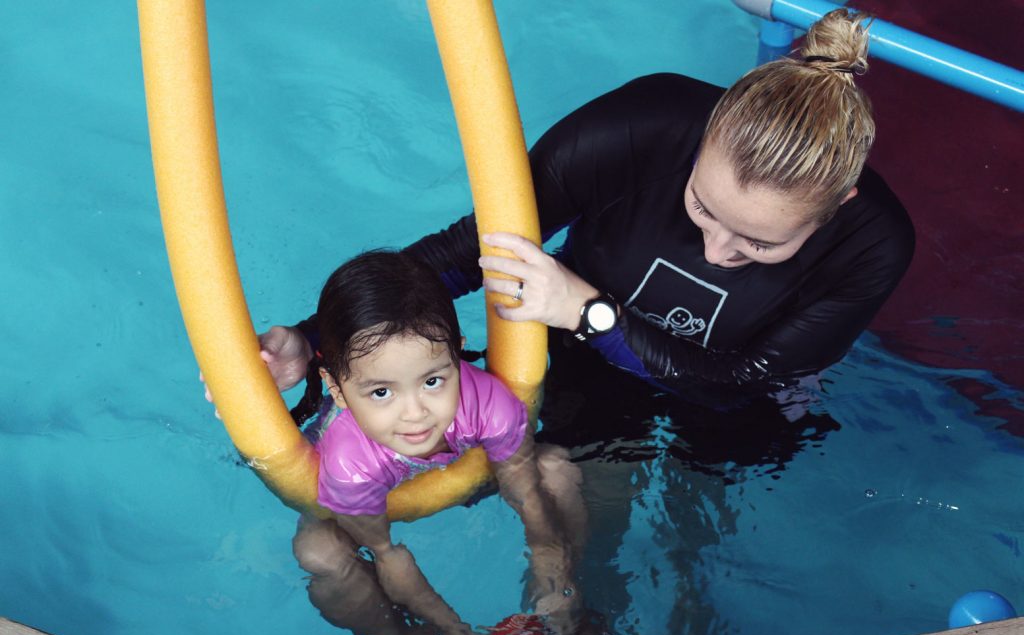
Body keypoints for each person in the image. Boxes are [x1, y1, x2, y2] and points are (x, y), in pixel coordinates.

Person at [258, 9, 914, 437]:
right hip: (584, 358)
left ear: (839, 204)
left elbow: (738, 386)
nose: (718, 249)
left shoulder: (872, 243)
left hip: (736, 398)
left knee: (703, 516)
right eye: (704, 208)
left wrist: (589, 309)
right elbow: (467, 252)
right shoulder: (636, 128)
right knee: (579, 500)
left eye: (761, 241)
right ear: (703, 135)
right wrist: (316, 341)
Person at [286, 250, 589, 635]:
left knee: (557, 469)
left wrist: (555, 578)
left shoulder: (488, 401)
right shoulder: (349, 463)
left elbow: (527, 491)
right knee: (319, 554)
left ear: (457, 355)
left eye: (432, 381)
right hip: (366, 499)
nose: (415, 414)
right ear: (335, 388)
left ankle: (575, 614)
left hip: (460, 473)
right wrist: (456, 632)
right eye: (381, 392)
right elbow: (388, 554)